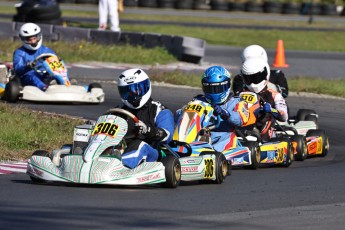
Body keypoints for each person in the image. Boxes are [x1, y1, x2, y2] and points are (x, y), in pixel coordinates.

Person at [176, 66, 249, 153]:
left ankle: (213, 154)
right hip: (200, 135)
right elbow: (177, 116)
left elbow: (241, 119)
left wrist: (224, 113)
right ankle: (179, 146)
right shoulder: (198, 101)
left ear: (227, 85)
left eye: (218, 88)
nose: (214, 92)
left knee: (230, 137)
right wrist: (184, 110)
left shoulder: (236, 101)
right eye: (210, 89)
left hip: (222, 136)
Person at [114, 68, 174, 169]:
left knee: (139, 145)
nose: (133, 95)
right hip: (120, 147)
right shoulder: (118, 110)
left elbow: (167, 135)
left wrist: (148, 130)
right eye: (128, 92)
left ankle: (121, 166)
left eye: (137, 89)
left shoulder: (159, 110)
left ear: (146, 86)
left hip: (151, 151)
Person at [240, 57, 288, 141]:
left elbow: (284, 117)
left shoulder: (275, 95)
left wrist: (271, 110)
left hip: (265, 129)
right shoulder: (240, 95)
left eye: (255, 78)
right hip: (243, 127)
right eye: (249, 79)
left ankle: (258, 138)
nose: (252, 83)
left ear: (265, 75)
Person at [13, 23, 57, 91]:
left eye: (34, 38)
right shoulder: (20, 52)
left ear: (39, 36)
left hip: (44, 74)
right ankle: (44, 88)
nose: (33, 42)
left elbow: (56, 63)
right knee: (32, 74)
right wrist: (28, 66)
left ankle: (64, 83)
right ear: (24, 39)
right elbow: (17, 69)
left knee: (55, 72)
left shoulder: (46, 50)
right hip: (27, 78)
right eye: (29, 40)